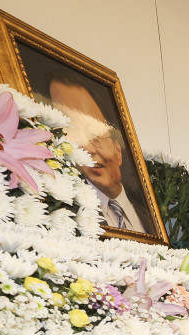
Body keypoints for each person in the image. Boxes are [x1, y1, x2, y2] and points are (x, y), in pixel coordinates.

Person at [42, 71, 151, 235]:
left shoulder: (148, 213)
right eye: (73, 136)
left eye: (95, 135)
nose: (90, 149)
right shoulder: (70, 214)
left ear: (118, 151)